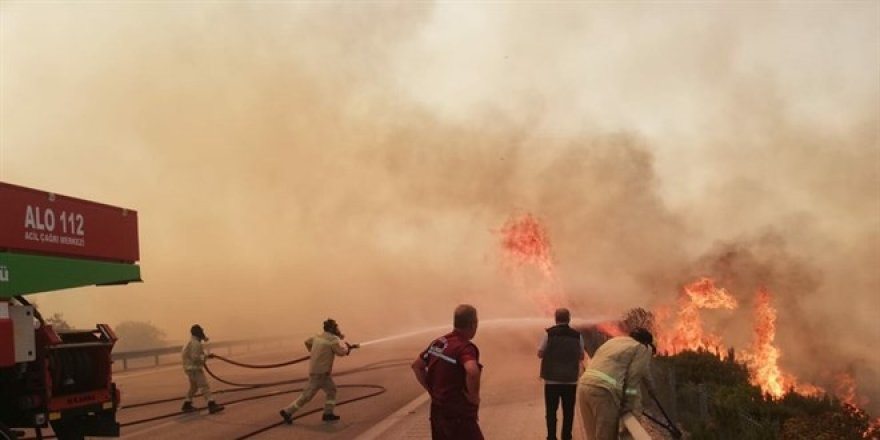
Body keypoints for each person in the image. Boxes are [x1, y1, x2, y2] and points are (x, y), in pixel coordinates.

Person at [411, 304, 483, 440]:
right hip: (458, 415)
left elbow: (416, 366)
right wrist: (474, 397)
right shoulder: (464, 347)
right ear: (473, 324)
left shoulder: (439, 342)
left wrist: (431, 390)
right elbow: (472, 371)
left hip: (438, 413)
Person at [577, 327, 656, 440]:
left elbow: (645, 372)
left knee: (592, 436)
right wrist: (628, 403)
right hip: (604, 391)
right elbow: (632, 381)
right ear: (645, 343)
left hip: (584, 386)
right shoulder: (641, 348)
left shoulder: (614, 342)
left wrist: (650, 387)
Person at [279, 319, 359, 424]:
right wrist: (348, 349)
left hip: (316, 371)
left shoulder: (318, 336)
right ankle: (290, 411)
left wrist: (314, 352)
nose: (337, 329)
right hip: (322, 373)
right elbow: (341, 352)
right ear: (331, 328)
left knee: (320, 393)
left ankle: (325, 413)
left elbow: (307, 342)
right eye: (335, 327)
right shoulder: (333, 339)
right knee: (319, 393)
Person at [538, 308, 585, 440]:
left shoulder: (549, 334)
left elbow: (540, 353)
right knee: (569, 412)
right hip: (570, 381)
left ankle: (551, 437)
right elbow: (581, 356)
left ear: (555, 318)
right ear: (569, 319)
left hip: (552, 381)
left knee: (551, 412)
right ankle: (566, 437)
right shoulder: (577, 335)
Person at [181, 324, 225, 414]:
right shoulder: (195, 344)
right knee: (204, 386)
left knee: (194, 387)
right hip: (194, 369)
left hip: (189, 368)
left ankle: (187, 404)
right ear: (198, 333)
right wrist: (206, 356)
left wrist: (206, 356)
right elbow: (195, 358)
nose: (203, 333)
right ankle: (211, 404)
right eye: (201, 331)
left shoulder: (191, 342)